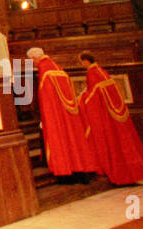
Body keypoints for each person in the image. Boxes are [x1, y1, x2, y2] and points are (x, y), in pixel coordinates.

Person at [78, 52, 143, 185]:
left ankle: (117, 175)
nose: (80, 65)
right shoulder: (101, 71)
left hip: (104, 116)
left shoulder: (92, 73)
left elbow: (93, 96)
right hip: (114, 114)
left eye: (80, 62)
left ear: (85, 61)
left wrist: (81, 98)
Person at [27, 47, 97, 178]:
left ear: (33, 58)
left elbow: (46, 98)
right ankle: (79, 167)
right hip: (68, 112)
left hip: (55, 114)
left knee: (59, 137)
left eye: (31, 61)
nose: (32, 63)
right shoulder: (57, 68)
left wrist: (46, 117)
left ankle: (64, 171)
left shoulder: (44, 71)